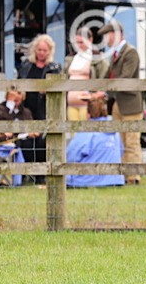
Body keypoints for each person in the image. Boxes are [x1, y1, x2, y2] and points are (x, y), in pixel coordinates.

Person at [96, 20, 143, 184]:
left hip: (130, 104)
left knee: (131, 141)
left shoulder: (131, 53)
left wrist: (104, 90)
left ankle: (133, 176)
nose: (106, 40)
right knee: (119, 141)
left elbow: (125, 78)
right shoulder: (115, 54)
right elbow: (108, 76)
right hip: (118, 103)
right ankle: (122, 175)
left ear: (117, 35)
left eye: (108, 36)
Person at [16, 34, 63, 181]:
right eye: (39, 49)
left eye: (45, 50)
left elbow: (58, 88)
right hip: (27, 108)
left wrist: (46, 89)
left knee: (43, 140)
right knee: (26, 139)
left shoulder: (54, 67)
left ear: (50, 51)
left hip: (44, 108)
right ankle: (27, 172)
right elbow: (18, 83)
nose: (41, 53)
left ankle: (42, 174)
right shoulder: (25, 65)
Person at [66, 97, 125, 188]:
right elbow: (121, 151)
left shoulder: (86, 131)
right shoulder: (115, 132)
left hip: (86, 181)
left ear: (88, 114)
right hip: (114, 180)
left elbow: (71, 155)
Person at [65, 28, 109, 122]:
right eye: (77, 42)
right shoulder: (70, 58)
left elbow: (105, 78)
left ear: (90, 40)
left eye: (82, 42)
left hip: (89, 105)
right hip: (71, 104)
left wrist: (96, 94)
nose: (79, 45)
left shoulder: (98, 59)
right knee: (73, 134)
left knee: (87, 132)